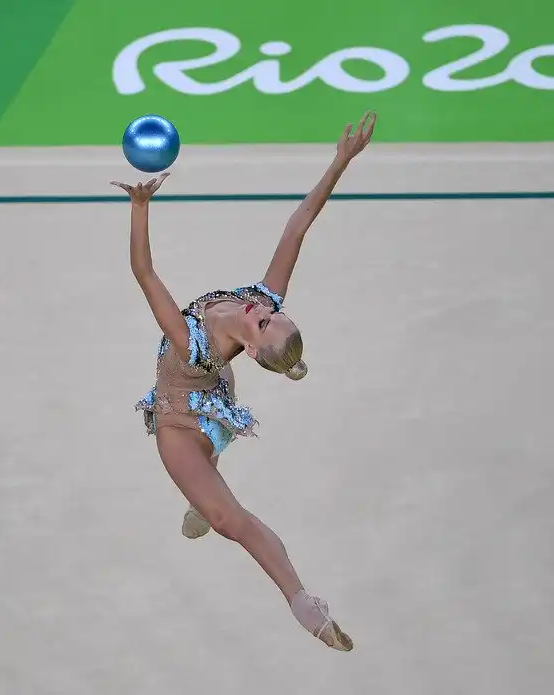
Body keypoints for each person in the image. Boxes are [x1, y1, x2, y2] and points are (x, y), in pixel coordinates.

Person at [110, 111, 377, 652]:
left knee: (227, 518)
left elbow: (144, 273)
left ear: (251, 349)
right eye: (273, 313)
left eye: (262, 323)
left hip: (183, 422)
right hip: (216, 397)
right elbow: (298, 226)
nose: (262, 309)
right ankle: (203, 484)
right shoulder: (263, 300)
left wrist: (139, 209)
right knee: (210, 490)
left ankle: (305, 606)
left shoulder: (192, 341)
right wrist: (341, 161)